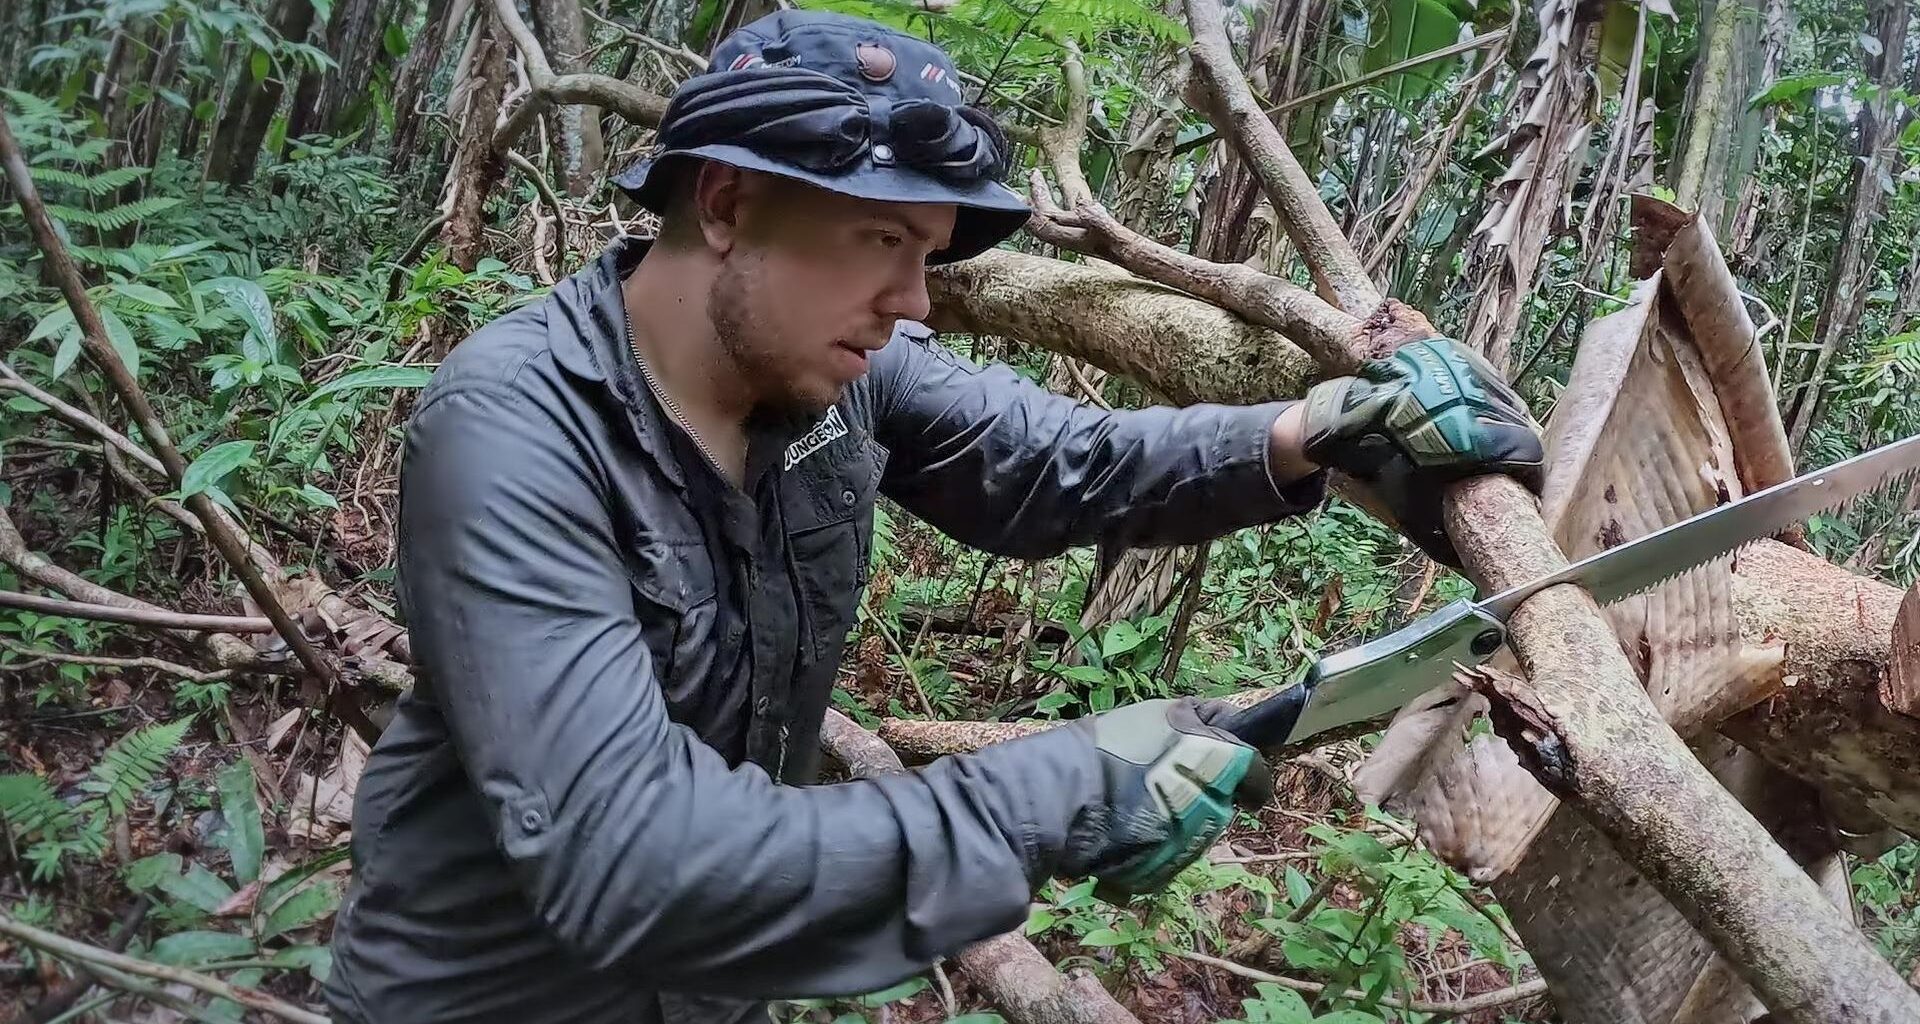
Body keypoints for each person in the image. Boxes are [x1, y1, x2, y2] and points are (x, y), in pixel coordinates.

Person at [322, 10, 1544, 1023]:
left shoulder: (833, 371)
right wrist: (1052, 794)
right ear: (730, 203)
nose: (913, 302)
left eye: (933, 254)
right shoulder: (515, 428)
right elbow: (627, 855)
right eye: (884, 239)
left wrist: (1312, 432)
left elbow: (1056, 459)